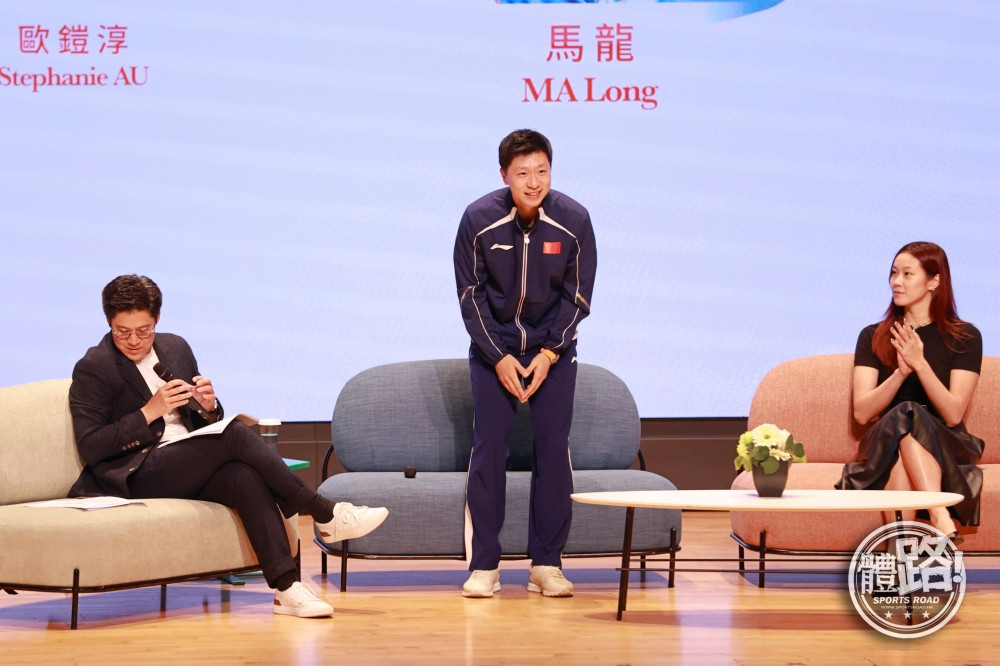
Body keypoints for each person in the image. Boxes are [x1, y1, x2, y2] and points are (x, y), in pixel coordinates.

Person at [68, 275, 389, 618]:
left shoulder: (175, 347)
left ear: (157, 320)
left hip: (184, 461)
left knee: (242, 476)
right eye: (123, 332)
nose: (133, 341)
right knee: (234, 434)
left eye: (143, 331)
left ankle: (287, 589)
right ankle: (324, 513)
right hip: (136, 472)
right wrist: (148, 412)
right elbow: (91, 445)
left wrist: (209, 408)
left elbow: (201, 421)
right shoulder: (94, 367)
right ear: (109, 322)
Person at [453, 129, 597, 598]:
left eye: (542, 171)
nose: (534, 182)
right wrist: (499, 358)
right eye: (522, 174)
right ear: (504, 176)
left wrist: (549, 354)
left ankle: (547, 564)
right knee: (489, 448)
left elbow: (578, 297)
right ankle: (485, 566)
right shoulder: (478, 219)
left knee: (553, 449)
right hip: (493, 352)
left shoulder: (574, 220)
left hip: (553, 352)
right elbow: (469, 296)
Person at [836, 242, 983, 544]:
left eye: (907, 274)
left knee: (909, 425)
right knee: (905, 417)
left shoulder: (965, 337)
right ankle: (939, 513)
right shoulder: (873, 335)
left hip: (945, 438)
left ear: (933, 281)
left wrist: (920, 364)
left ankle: (897, 557)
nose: (896, 282)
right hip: (884, 441)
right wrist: (900, 374)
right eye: (893, 273)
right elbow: (862, 412)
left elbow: (953, 413)